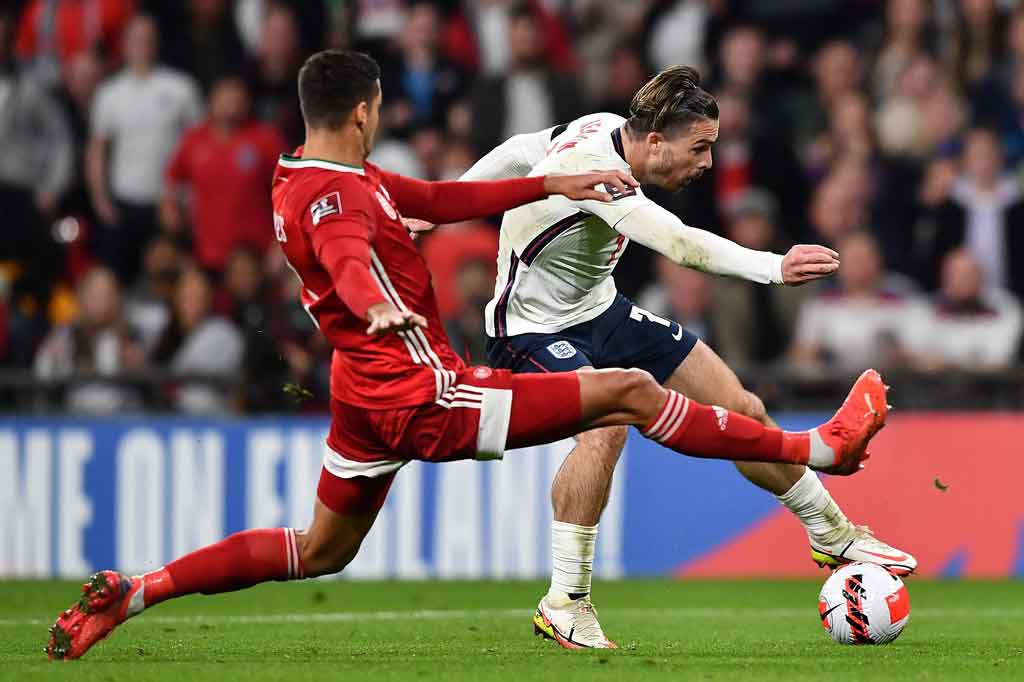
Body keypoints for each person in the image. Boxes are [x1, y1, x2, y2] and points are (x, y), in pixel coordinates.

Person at [45, 50, 888, 661]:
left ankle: (139, 590)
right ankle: (818, 450)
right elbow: (343, 251)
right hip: (426, 392)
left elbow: (443, 196)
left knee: (319, 551)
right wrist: (370, 299)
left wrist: (548, 184)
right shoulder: (342, 197)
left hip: (360, 399)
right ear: (368, 112)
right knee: (626, 396)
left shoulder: (303, 175)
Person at [421, 65, 915, 648]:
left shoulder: (602, 126)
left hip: (601, 310)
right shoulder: (603, 177)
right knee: (606, 428)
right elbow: (679, 243)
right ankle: (565, 600)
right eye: (700, 148)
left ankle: (830, 532)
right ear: (655, 142)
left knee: (742, 404)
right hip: (528, 330)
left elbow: (521, 149)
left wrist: (442, 205)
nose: (707, 163)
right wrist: (773, 267)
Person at [87, 13, 203, 285]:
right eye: (135, 39)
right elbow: (97, 150)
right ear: (125, 44)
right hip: (124, 202)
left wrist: (191, 198)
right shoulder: (109, 93)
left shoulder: (180, 88)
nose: (142, 45)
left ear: (156, 43)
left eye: (147, 39)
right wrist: (100, 199)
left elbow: (198, 144)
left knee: (168, 278)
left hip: (168, 202)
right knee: (120, 279)